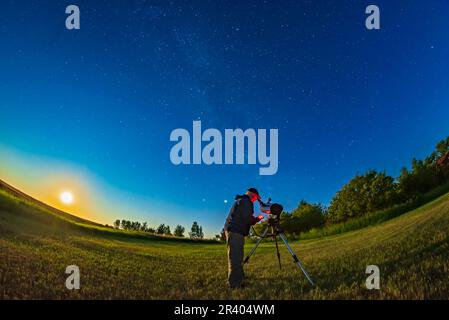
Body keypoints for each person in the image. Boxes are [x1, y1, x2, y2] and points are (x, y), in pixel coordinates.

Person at [224, 187, 264, 288]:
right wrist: (257, 219)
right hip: (235, 231)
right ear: (253, 194)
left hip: (235, 231)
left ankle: (239, 278)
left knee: (237, 256)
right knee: (235, 257)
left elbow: (244, 217)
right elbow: (247, 219)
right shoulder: (246, 201)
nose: (255, 200)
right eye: (256, 198)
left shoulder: (241, 200)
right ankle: (234, 284)